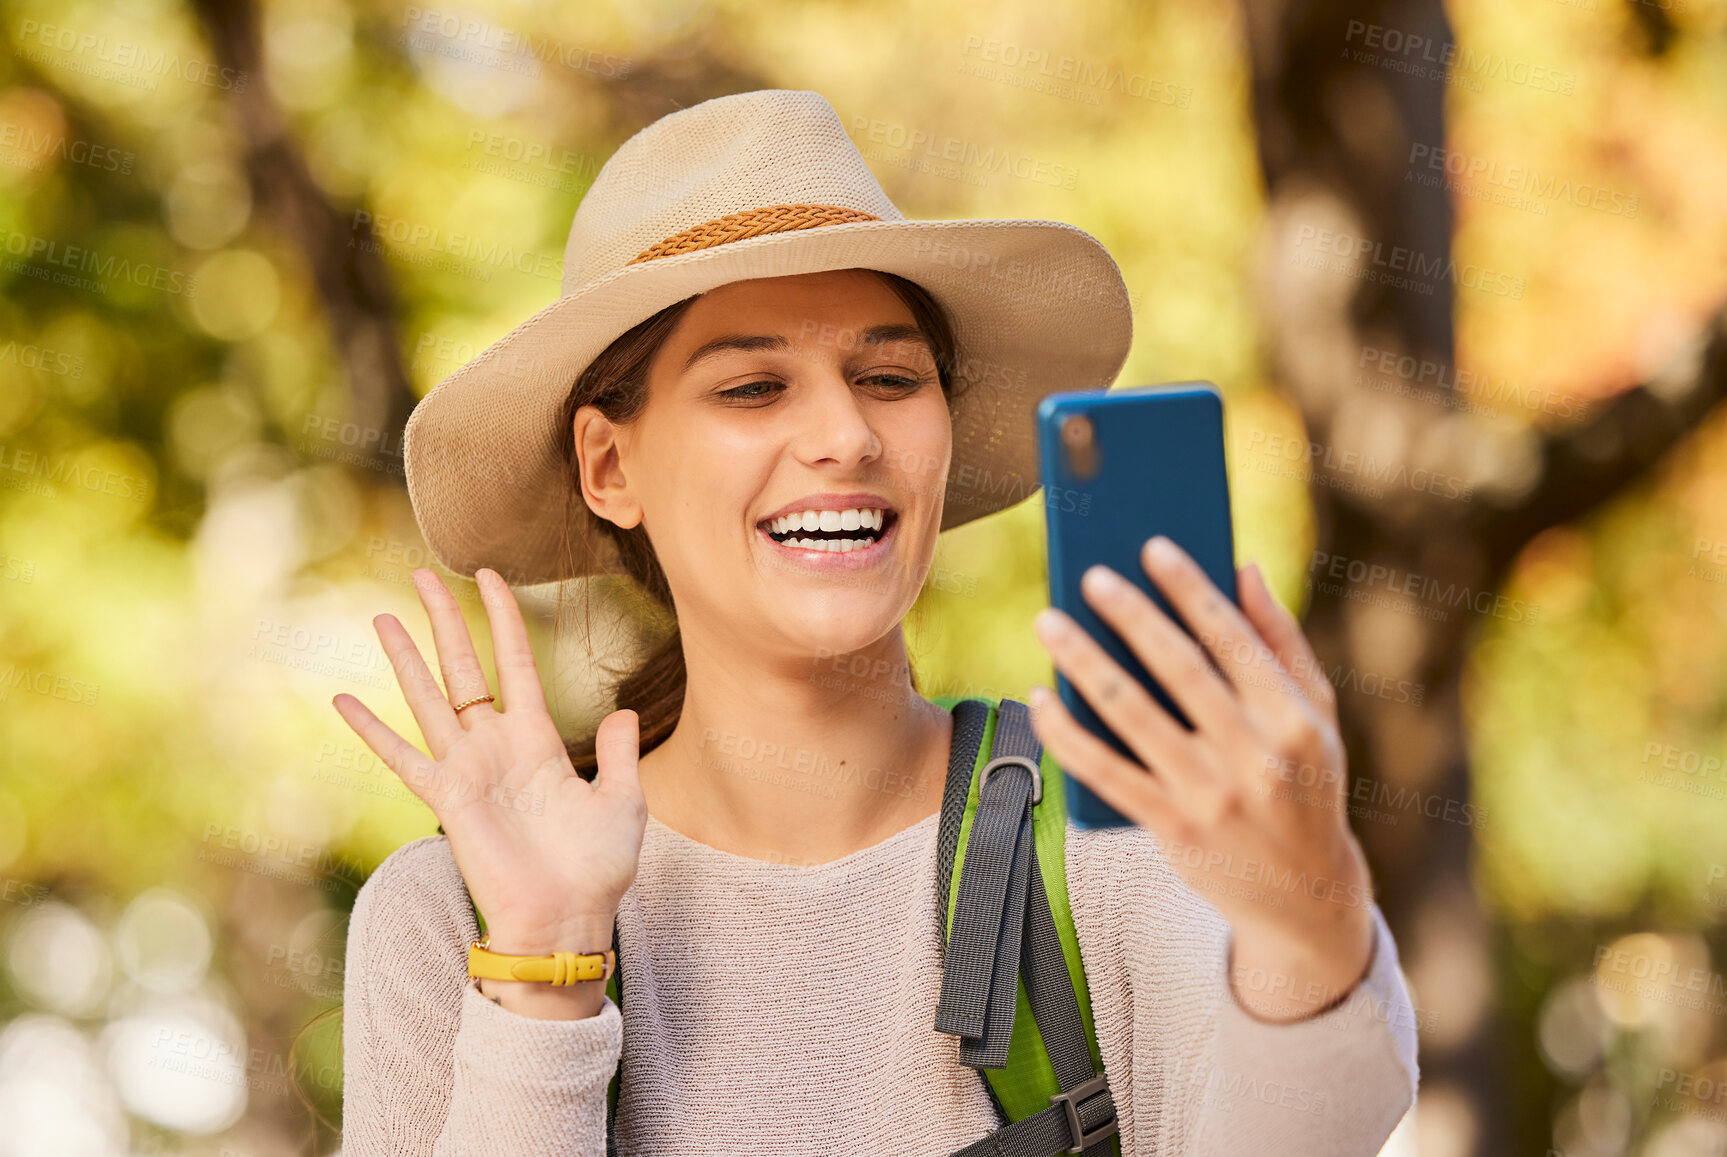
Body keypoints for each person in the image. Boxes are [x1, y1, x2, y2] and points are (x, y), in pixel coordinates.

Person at [332, 89, 1419, 1155]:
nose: (846, 433)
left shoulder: (1115, 831)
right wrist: (545, 964)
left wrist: (1309, 911)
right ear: (609, 464)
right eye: (754, 387)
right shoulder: (450, 915)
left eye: (889, 374)